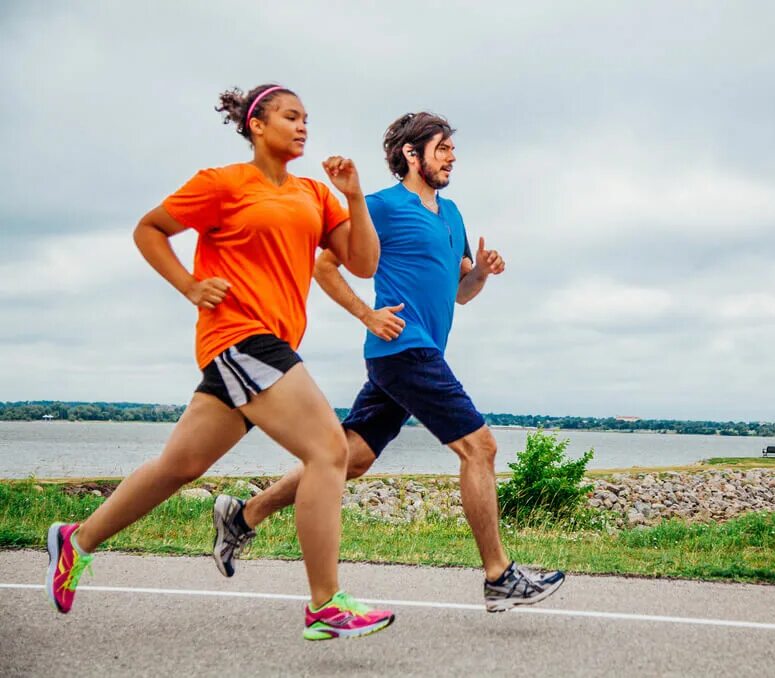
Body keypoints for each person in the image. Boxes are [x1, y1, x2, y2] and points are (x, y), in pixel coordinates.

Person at [45, 84, 395, 641]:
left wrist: (352, 195)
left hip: (268, 345)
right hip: (240, 337)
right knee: (329, 448)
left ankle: (76, 540)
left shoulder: (314, 193)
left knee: (178, 466)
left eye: (307, 118)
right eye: (290, 116)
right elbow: (149, 228)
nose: (303, 126)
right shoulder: (222, 184)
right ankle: (325, 604)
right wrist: (187, 284)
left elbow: (364, 262)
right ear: (257, 124)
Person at [212, 112, 565, 612]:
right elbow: (324, 265)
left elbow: (461, 294)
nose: (452, 157)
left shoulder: (454, 214)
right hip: (404, 348)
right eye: (442, 148)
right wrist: (367, 315)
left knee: (350, 459)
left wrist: (481, 273)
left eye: (451, 149)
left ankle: (243, 516)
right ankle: (499, 576)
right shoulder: (380, 206)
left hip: (411, 355)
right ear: (411, 155)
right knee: (480, 449)